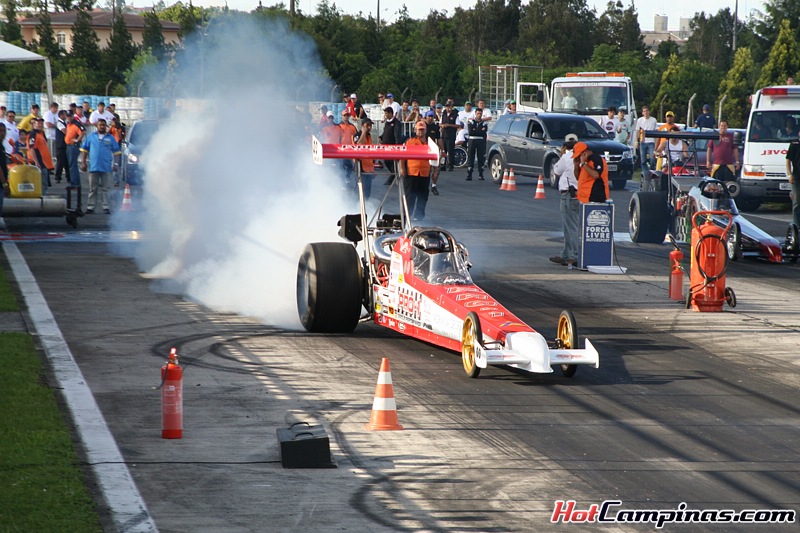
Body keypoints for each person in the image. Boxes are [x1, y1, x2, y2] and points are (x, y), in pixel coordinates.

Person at [550, 134, 581, 267]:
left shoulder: (567, 157)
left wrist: (562, 154)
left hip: (569, 194)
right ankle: (567, 254)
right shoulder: (581, 156)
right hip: (577, 193)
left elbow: (556, 171)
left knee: (570, 227)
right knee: (570, 227)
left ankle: (573, 255)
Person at [80, 118, 121, 214]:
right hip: (93, 166)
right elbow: (84, 150)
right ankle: (90, 206)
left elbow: (117, 152)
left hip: (106, 167)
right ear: (97, 126)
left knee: (105, 188)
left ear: (106, 126)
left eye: (103, 125)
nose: (102, 126)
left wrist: (115, 164)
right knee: (92, 188)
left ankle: (106, 206)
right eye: (100, 125)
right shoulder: (90, 137)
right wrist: (83, 162)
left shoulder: (110, 138)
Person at [399, 121, 432, 221]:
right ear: (415, 130)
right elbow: (402, 156)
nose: (421, 132)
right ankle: (407, 217)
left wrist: (435, 172)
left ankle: (419, 216)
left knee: (423, 196)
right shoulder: (409, 141)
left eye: (423, 130)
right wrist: (402, 168)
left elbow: (435, 158)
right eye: (419, 130)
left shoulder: (430, 143)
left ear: (426, 130)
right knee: (410, 196)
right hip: (411, 172)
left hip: (425, 173)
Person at [27, 118, 54, 192]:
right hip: (39, 163)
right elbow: (31, 148)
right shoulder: (33, 135)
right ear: (33, 125)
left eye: (41, 123)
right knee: (41, 184)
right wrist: (36, 162)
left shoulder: (41, 134)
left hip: (44, 163)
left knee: (44, 184)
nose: (40, 125)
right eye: (38, 123)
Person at [379, 106, 404, 185]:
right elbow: (386, 132)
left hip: (392, 146)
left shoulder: (396, 123)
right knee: (386, 161)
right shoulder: (387, 122)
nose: (385, 115)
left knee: (393, 163)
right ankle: (394, 174)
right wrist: (381, 137)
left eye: (386, 113)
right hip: (385, 146)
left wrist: (397, 147)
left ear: (390, 113)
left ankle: (392, 177)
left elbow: (397, 136)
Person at [635, 106, 658, 177]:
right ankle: (645, 173)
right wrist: (636, 141)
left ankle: (652, 170)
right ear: (642, 113)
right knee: (643, 159)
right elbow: (637, 131)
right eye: (644, 111)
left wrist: (656, 143)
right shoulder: (640, 120)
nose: (646, 112)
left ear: (649, 111)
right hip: (643, 141)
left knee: (652, 158)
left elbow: (656, 132)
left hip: (651, 142)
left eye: (647, 111)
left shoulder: (653, 120)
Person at [465, 108, 487, 181]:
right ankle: (469, 174)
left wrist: (476, 130)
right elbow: (471, 132)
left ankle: (481, 174)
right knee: (471, 157)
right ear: (475, 113)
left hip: (481, 141)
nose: (479, 115)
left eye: (480, 114)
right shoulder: (471, 121)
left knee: (481, 157)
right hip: (472, 140)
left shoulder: (484, 123)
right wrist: (479, 130)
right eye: (478, 113)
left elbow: (484, 133)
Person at [423, 111, 442, 195]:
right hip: (424, 150)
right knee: (425, 169)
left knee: (436, 170)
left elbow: (439, 139)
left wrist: (443, 150)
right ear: (426, 117)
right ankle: (424, 186)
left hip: (433, 150)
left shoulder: (435, 127)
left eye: (432, 116)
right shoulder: (422, 126)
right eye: (429, 116)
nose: (430, 118)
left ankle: (434, 186)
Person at [356, 118, 375, 199]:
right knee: (359, 191)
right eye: (367, 125)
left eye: (370, 125)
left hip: (369, 168)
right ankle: (356, 207)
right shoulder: (357, 135)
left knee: (367, 193)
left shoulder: (369, 136)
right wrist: (363, 132)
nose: (369, 127)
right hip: (361, 168)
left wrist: (373, 169)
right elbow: (359, 145)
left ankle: (367, 207)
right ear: (362, 126)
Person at [65, 116, 85, 190]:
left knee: (73, 165)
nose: (68, 118)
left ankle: (75, 183)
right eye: (67, 116)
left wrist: (77, 140)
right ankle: (74, 182)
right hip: (69, 145)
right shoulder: (68, 124)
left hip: (73, 146)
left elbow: (83, 131)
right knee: (71, 165)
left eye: (70, 116)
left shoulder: (76, 124)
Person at [440, 99, 460, 172]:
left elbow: (457, 125)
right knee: (443, 151)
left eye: (450, 106)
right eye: (447, 106)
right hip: (444, 135)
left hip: (451, 135)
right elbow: (440, 123)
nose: (448, 108)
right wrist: (442, 126)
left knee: (450, 151)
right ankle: (443, 165)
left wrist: (449, 125)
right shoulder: (444, 114)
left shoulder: (455, 115)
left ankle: (450, 165)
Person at [786, 129, 800, 227]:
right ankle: (796, 225)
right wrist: (789, 174)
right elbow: (788, 160)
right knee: (797, 202)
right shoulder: (794, 145)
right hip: (797, 177)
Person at [54, 109, 70, 184]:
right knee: (60, 162)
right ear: (61, 115)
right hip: (60, 145)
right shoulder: (59, 123)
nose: (66, 116)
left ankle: (68, 177)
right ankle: (58, 176)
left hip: (65, 144)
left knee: (67, 162)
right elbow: (64, 131)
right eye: (64, 114)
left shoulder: (65, 123)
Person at [0, 123, 9, 215]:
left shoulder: (2, 146)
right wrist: (4, 184)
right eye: (0, 131)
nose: (2, 133)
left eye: (4, 131)